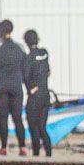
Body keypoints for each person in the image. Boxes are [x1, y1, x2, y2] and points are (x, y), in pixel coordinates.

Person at [0, 20, 28, 155]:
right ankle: (22, 147)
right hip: (16, 85)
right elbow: (26, 67)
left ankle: (3, 147)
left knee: (2, 117)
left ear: (0, 31)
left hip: (0, 86)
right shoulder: (20, 47)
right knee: (17, 117)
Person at [23, 29, 52, 158]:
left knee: (33, 126)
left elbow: (25, 76)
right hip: (45, 94)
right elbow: (48, 71)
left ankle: (36, 153)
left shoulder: (28, 58)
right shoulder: (44, 53)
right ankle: (49, 153)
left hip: (35, 96)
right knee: (42, 126)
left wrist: (31, 88)